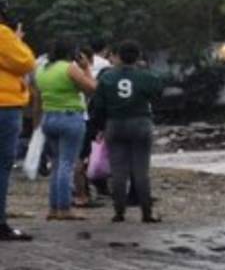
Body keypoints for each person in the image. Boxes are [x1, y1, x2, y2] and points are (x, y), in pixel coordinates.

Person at [96, 40, 164, 223]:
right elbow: (158, 91)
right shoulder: (146, 76)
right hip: (140, 122)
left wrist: (100, 127)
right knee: (141, 170)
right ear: (138, 56)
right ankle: (146, 213)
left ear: (117, 56)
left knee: (118, 170)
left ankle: (119, 212)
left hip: (114, 124)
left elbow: (98, 105)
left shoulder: (107, 77)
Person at [35, 38, 96, 221]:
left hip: (49, 118)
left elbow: (37, 100)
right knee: (66, 165)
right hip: (69, 118)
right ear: (71, 52)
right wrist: (86, 68)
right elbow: (92, 88)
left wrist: (36, 125)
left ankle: (54, 209)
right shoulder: (69, 68)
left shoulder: (43, 70)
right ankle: (64, 208)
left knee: (56, 164)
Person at [0, 0, 36, 241]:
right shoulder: (2, 34)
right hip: (4, 106)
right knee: (2, 167)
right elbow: (25, 62)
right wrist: (17, 39)